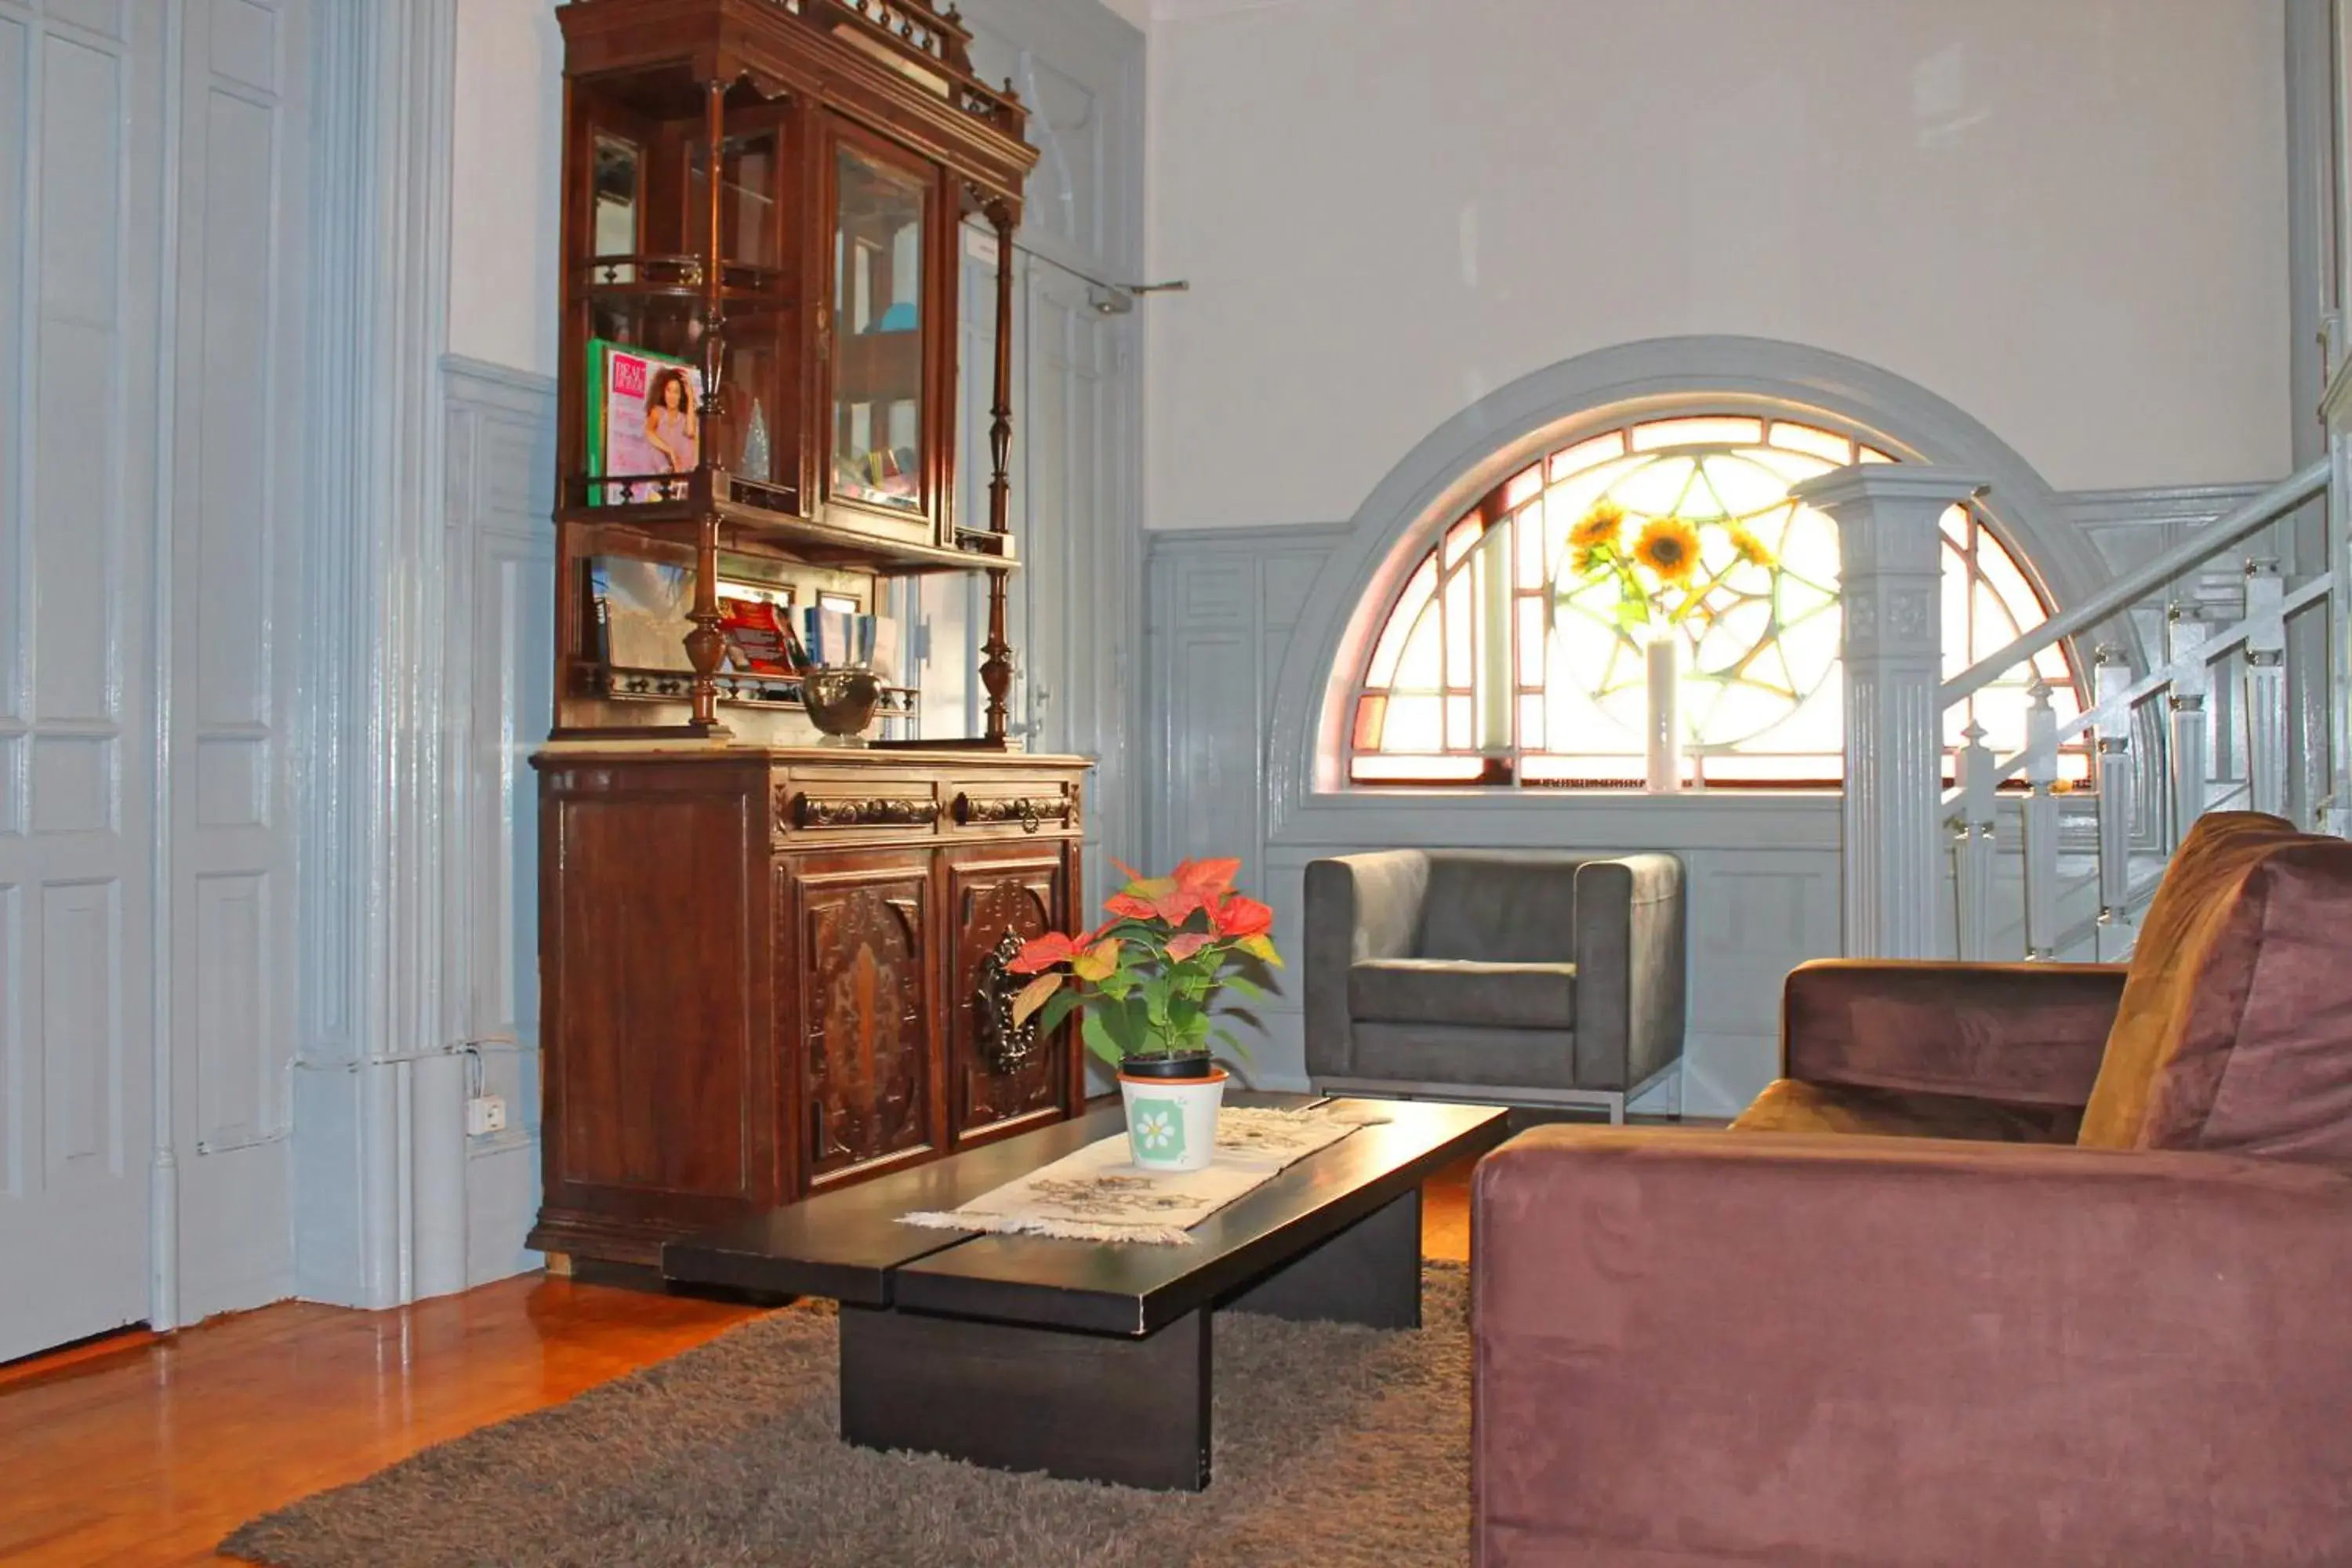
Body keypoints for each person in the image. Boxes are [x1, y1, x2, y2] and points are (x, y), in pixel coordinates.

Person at [643, 367, 699, 497]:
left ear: (681, 396)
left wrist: (691, 395)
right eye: (669, 391)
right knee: (654, 447)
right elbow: (648, 432)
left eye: (677, 392)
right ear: (663, 392)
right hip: (661, 474)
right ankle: (669, 479)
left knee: (692, 439)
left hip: (681, 473)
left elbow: (691, 431)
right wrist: (670, 451)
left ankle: (678, 483)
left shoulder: (684, 418)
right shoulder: (658, 412)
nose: (672, 396)